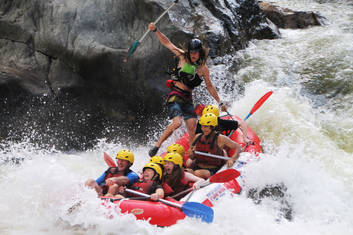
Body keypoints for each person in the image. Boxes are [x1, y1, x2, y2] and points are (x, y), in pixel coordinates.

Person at [147, 22, 227, 157]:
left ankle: (192, 155)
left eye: (196, 52)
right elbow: (168, 43)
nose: (193, 55)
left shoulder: (203, 69)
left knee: (192, 128)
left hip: (188, 99)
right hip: (175, 95)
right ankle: (157, 146)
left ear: (200, 52)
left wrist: (219, 102)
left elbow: (209, 86)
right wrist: (156, 30)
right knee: (177, 122)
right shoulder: (182, 57)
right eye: (191, 52)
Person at [187, 113, 242, 179]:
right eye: (202, 126)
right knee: (188, 168)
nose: (203, 129)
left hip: (212, 169)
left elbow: (238, 147)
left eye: (206, 126)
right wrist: (191, 154)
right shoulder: (198, 137)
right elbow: (192, 157)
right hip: (197, 166)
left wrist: (232, 159)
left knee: (197, 173)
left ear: (213, 126)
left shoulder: (221, 138)